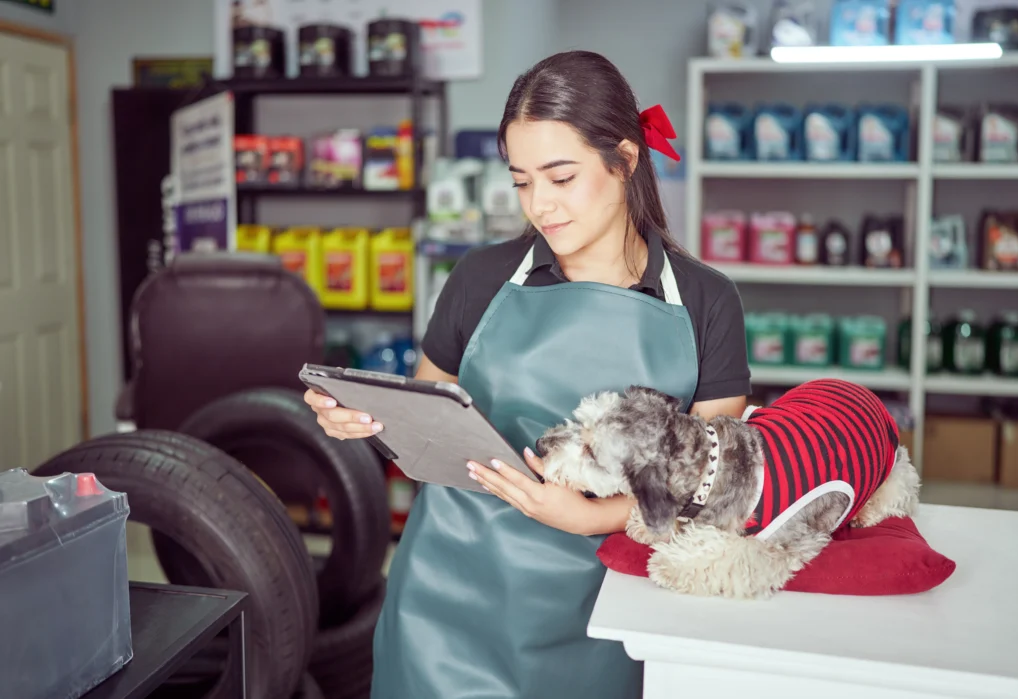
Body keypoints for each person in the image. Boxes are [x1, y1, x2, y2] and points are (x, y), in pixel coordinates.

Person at [305, 50, 751, 699]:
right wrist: (368, 418)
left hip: (608, 614)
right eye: (521, 181)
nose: (540, 204)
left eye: (560, 177)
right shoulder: (482, 277)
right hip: (446, 604)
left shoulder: (707, 302)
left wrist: (593, 517)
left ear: (624, 160)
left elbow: (718, 487)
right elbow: (431, 416)